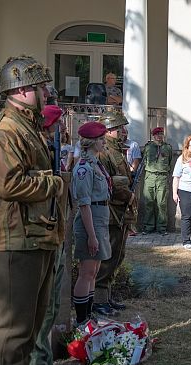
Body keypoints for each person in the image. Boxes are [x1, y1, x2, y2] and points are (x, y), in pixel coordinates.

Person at [0, 55, 65, 365]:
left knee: (33, 317)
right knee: (13, 323)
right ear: (21, 90)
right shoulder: (8, 129)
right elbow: (9, 184)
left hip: (35, 236)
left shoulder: (28, 126)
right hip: (15, 239)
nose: (46, 93)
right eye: (40, 87)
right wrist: (54, 183)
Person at [28, 105, 71, 365]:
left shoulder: (52, 150)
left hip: (55, 231)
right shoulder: (39, 151)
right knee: (41, 307)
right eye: (60, 124)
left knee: (51, 303)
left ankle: (43, 360)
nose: (63, 129)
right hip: (41, 231)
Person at [94, 110, 136, 316]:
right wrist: (127, 194)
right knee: (108, 256)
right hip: (111, 212)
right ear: (109, 130)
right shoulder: (104, 152)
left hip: (120, 211)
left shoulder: (115, 150)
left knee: (117, 255)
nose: (124, 131)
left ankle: (106, 297)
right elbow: (107, 182)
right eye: (120, 128)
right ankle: (99, 300)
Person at [71, 122, 112, 324]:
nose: (105, 142)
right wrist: (92, 236)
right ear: (92, 142)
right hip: (90, 221)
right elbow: (84, 204)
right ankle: (81, 319)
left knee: (93, 271)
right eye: (102, 139)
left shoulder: (96, 163)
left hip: (100, 217)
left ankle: (88, 315)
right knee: (86, 272)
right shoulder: (84, 168)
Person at [143, 127, 173, 235]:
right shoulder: (148, 147)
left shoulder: (168, 148)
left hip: (162, 177)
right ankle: (148, 227)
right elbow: (145, 161)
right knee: (148, 202)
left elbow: (169, 162)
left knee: (162, 203)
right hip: (150, 176)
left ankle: (162, 227)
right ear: (153, 135)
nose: (159, 136)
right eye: (157, 134)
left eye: (161, 134)